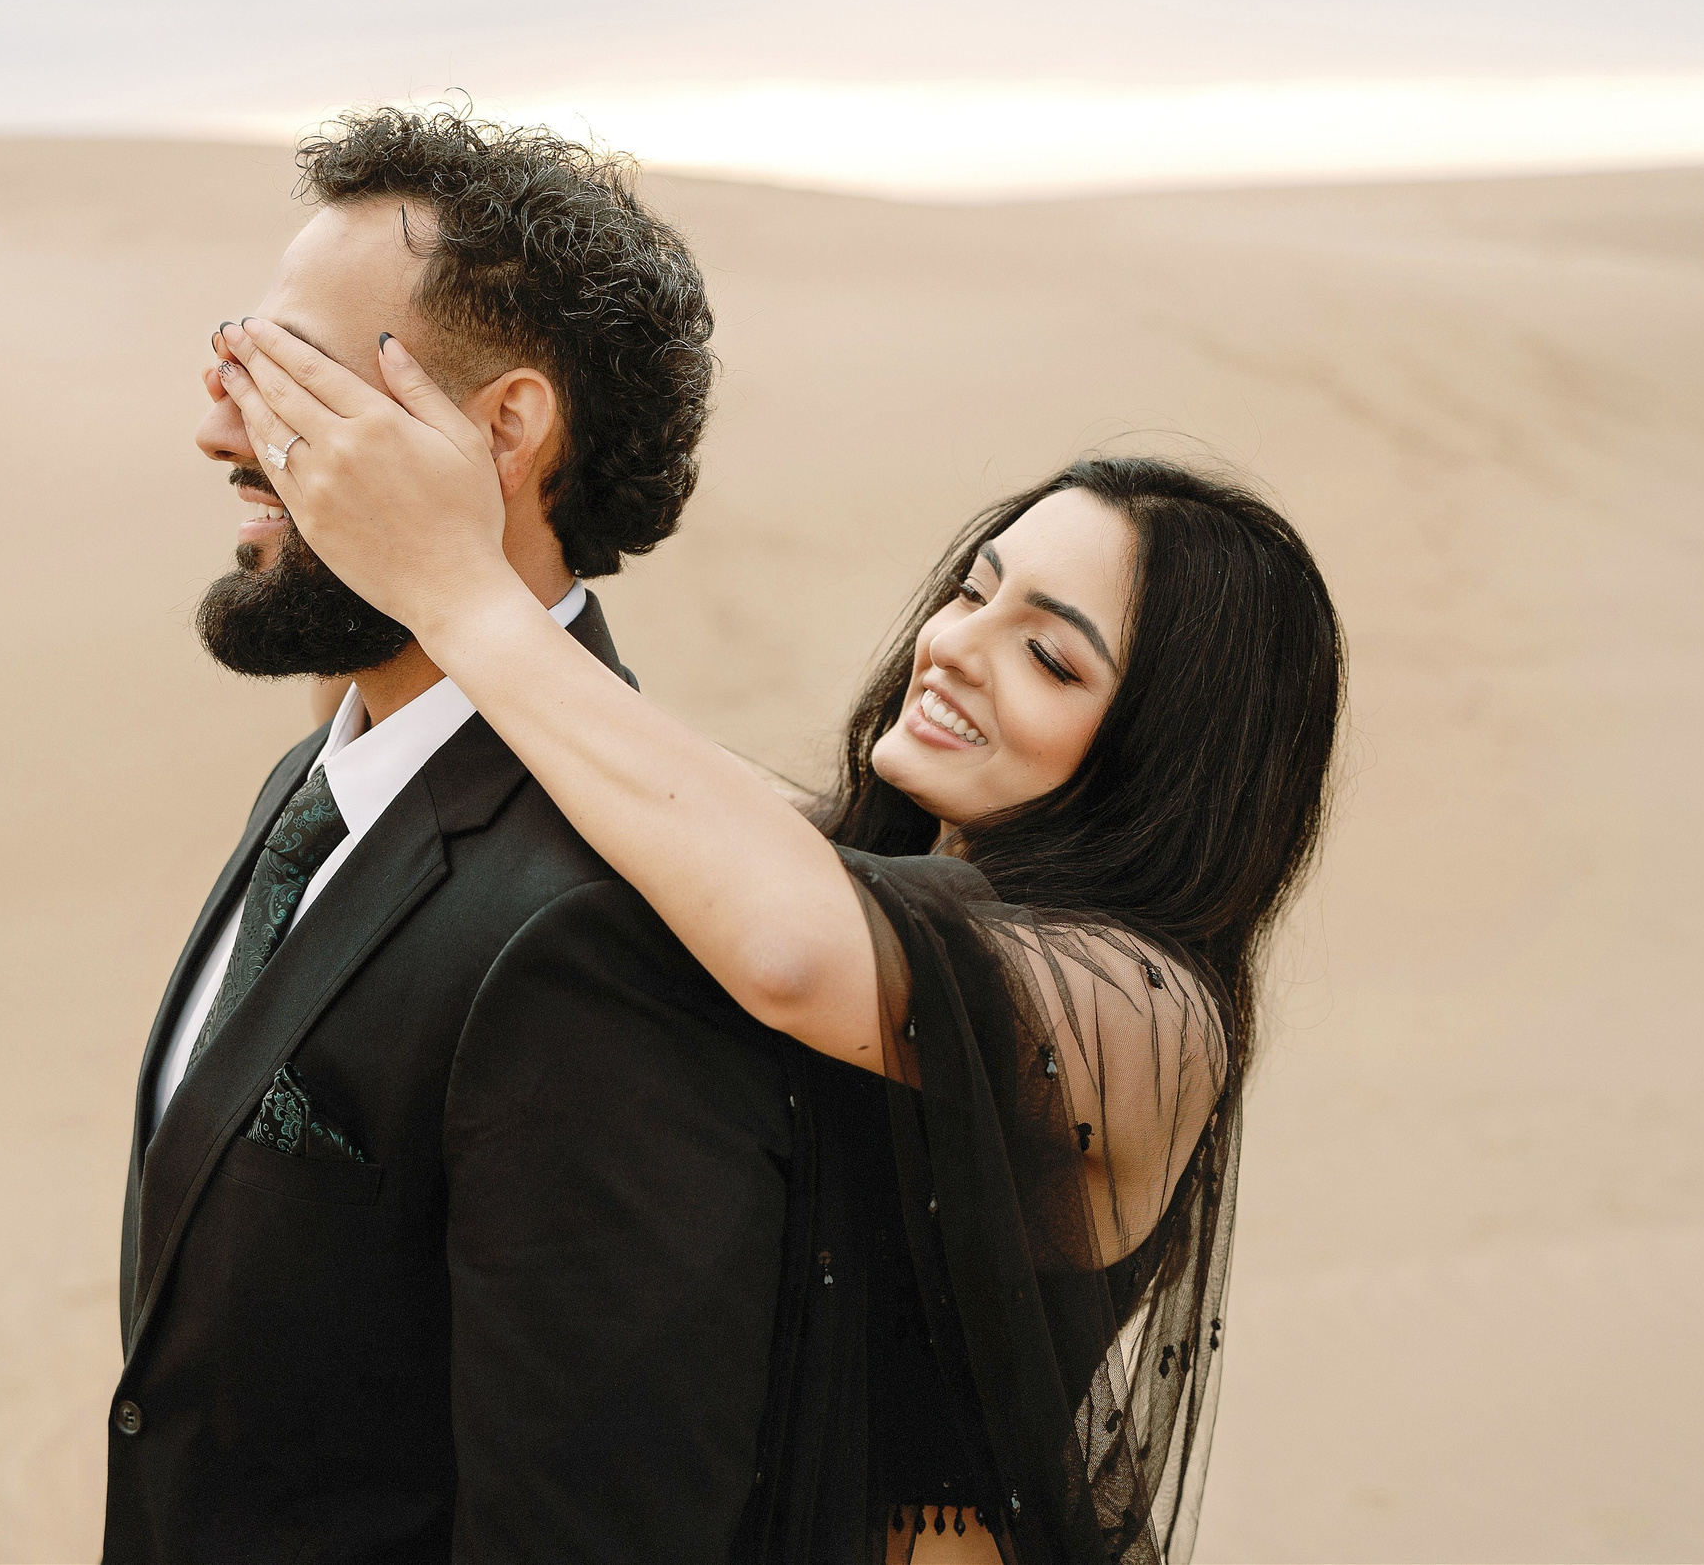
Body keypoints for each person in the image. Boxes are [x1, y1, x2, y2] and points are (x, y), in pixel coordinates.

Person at [211, 316, 1347, 1562]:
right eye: (974, 588)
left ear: (1164, 760)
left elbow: (789, 952)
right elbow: (614, 773)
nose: (956, 646)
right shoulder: (830, 876)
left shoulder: (1147, 1011)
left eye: (1048, 656)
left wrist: (455, 584)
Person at [107, 110, 794, 1563]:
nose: (218, 424)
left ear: (505, 430)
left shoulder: (600, 922)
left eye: (285, 370)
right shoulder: (323, 782)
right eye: (233, 355)